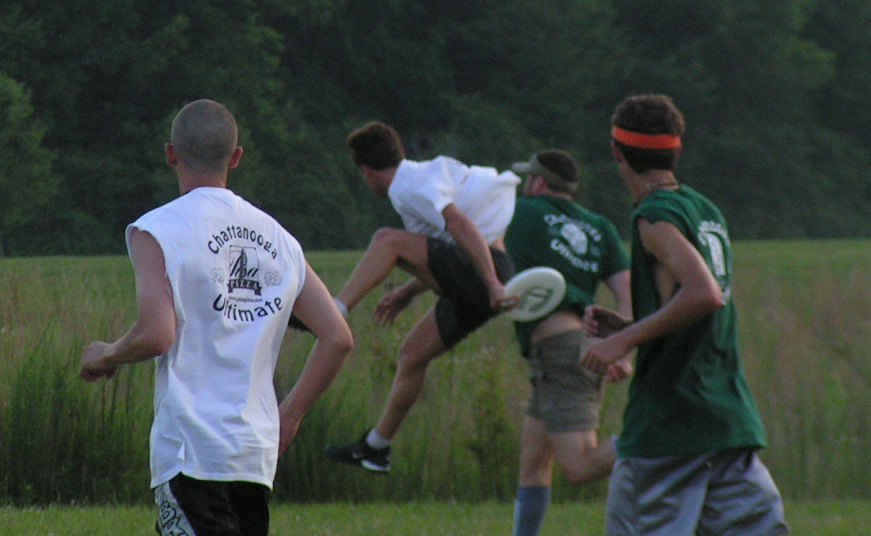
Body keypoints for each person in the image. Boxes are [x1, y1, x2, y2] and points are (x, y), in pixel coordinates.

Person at [79, 99, 353, 536]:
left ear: (171, 154)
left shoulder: (156, 230)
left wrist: (106, 355)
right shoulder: (280, 239)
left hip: (192, 450)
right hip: (254, 455)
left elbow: (156, 334)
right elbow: (337, 337)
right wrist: (289, 415)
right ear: (236, 157)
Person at [581, 93, 788, 536]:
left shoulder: (654, 215)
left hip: (669, 423)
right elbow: (691, 307)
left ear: (617, 152)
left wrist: (622, 341)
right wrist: (633, 324)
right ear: (676, 150)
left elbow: (703, 294)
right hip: (725, 418)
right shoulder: (704, 209)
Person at [324, 120, 519, 473]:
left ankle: (333, 311)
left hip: (486, 273)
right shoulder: (421, 177)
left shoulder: (408, 187)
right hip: (482, 273)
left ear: (366, 172)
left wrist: (492, 283)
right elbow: (444, 253)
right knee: (412, 354)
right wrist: (408, 292)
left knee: (387, 240)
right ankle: (376, 448)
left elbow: (459, 225)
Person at [504, 149, 633, 536]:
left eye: (529, 178)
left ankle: (657, 440)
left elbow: (470, 240)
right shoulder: (599, 226)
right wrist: (622, 348)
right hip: (566, 349)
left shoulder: (520, 212)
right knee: (533, 464)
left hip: (562, 353)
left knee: (579, 465)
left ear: (538, 182)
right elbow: (627, 292)